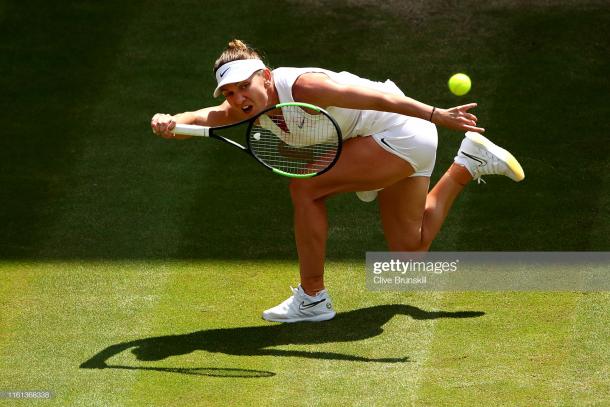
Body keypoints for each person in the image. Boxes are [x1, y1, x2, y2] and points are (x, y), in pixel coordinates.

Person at [151, 39, 524, 323]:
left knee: (305, 187)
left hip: (400, 133)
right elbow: (200, 119)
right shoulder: (244, 107)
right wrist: (171, 122)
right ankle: (467, 163)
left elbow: (377, 97)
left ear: (265, 77)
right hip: (395, 144)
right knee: (410, 252)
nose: (238, 98)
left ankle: (312, 297)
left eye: (243, 86)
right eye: (230, 93)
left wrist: (435, 113)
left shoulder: (304, 87)